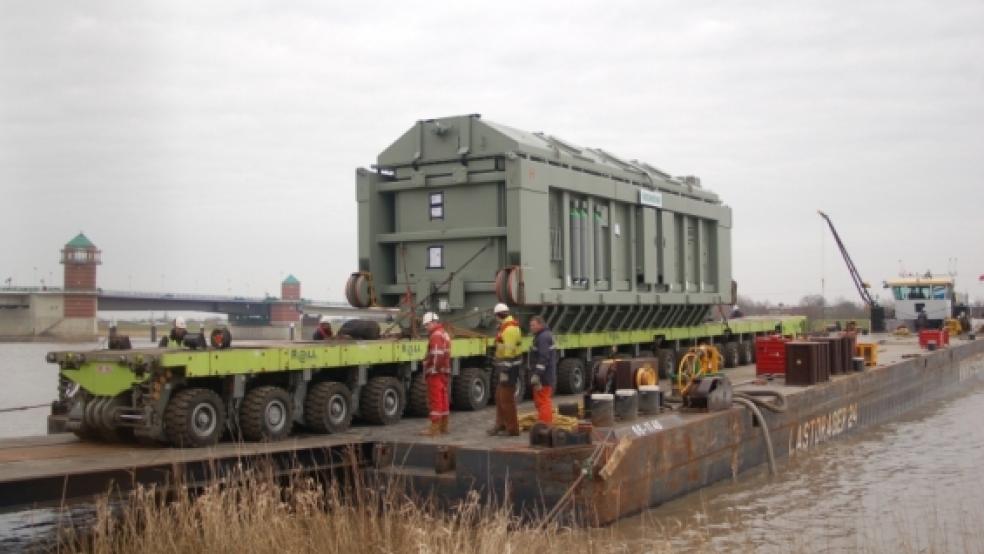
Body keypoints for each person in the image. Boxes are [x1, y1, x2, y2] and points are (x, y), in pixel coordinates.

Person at [487, 303, 522, 436]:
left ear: (498, 315)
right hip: (505, 366)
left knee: (506, 399)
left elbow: (509, 350)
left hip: (509, 368)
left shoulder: (510, 329)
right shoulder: (506, 327)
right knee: (499, 397)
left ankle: (512, 429)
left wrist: (505, 371)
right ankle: (501, 424)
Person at [420, 312, 451, 436]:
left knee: (435, 399)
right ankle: (443, 426)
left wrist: (432, 368)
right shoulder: (444, 333)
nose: (426, 327)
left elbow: (437, 355)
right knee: (443, 398)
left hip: (436, 373)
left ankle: (434, 428)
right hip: (443, 372)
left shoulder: (436, 336)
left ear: (433, 322)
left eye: (427, 325)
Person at [528, 315, 557, 425]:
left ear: (540, 324)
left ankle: (544, 426)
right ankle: (544, 422)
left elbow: (543, 358)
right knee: (540, 401)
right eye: (530, 325)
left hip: (544, 377)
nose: (531, 327)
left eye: (533, 325)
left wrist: (537, 375)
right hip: (546, 375)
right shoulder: (544, 335)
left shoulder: (543, 337)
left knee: (543, 401)